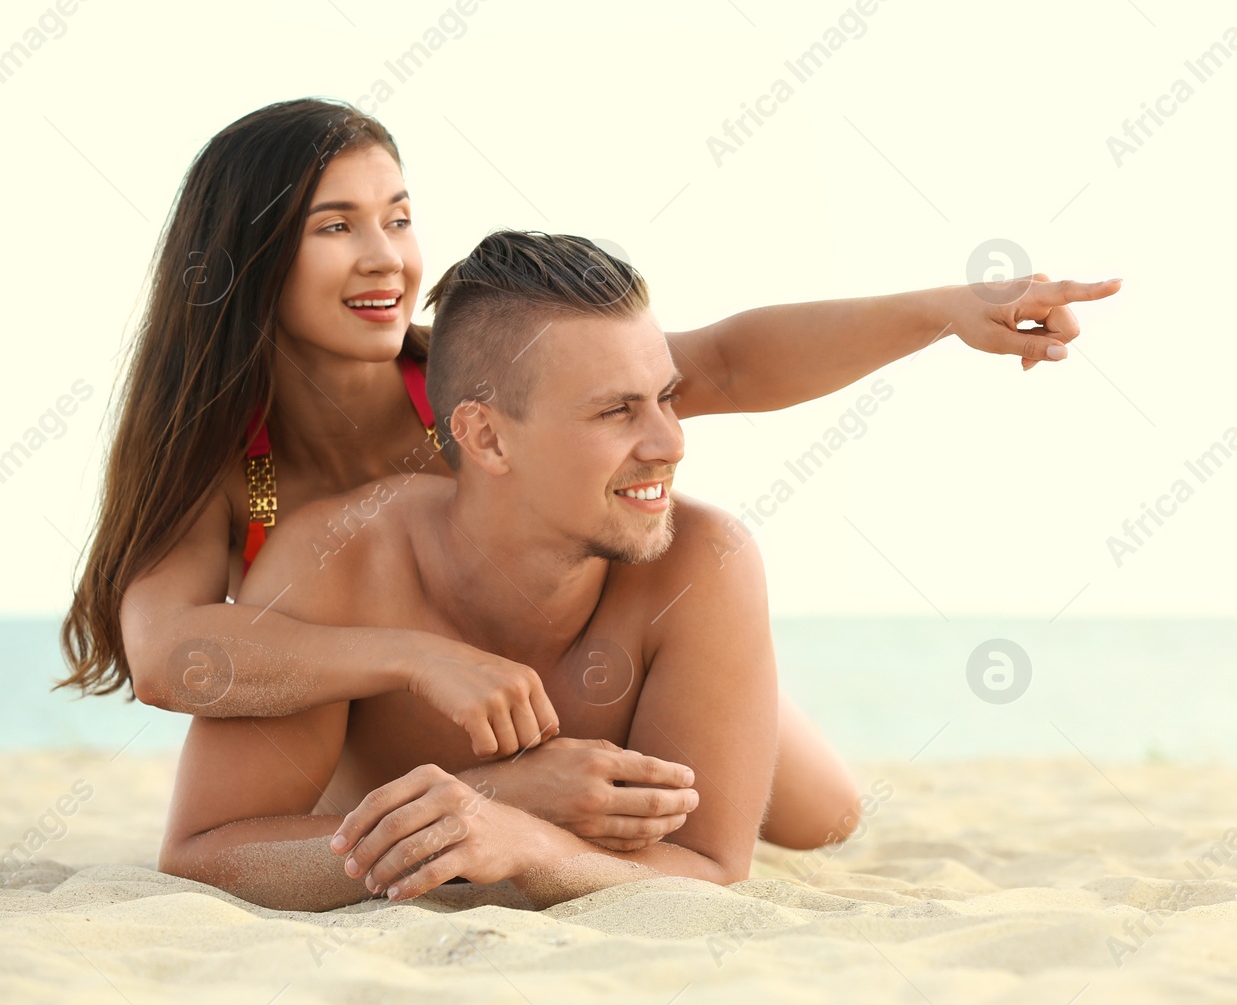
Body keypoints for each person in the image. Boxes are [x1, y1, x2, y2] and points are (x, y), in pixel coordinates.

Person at [61, 98, 1120, 851]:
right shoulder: (231, 465)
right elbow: (167, 654)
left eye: (397, 215)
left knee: (823, 817)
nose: (386, 256)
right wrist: (412, 661)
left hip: (586, 684)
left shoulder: (462, 387)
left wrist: (941, 312)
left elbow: (722, 362)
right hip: (408, 739)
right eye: (335, 225)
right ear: (246, 259)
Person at [164, 231, 833, 909]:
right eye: (616, 411)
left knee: (829, 816)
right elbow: (204, 856)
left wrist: (532, 844)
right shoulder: (337, 561)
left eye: (666, 397)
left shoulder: (705, 555)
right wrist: (490, 801)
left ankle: (753, 693)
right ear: (485, 436)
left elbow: (713, 866)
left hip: (676, 656)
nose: (671, 443)